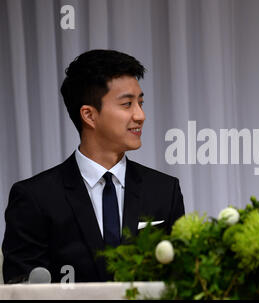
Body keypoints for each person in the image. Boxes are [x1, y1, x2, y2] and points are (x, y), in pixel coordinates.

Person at [2, 49, 185, 283]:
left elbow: (181, 280)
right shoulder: (35, 197)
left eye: (140, 103)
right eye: (127, 104)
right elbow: (21, 288)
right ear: (89, 115)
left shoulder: (164, 190)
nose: (140, 115)